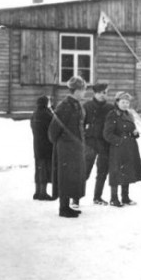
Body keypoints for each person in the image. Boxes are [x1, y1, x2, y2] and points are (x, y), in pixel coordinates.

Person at [48, 76, 87, 218]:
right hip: (66, 148)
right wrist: (62, 144)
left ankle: (68, 206)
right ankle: (63, 208)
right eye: (83, 90)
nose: (84, 93)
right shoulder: (64, 106)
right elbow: (53, 130)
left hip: (75, 147)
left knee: (73, 177)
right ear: (76, 90)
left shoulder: (76, 104)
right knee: (65, 177)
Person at [103, 92, 141, 207]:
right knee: (116, 173)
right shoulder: (112, 114)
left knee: (127, 171)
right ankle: (114, 198)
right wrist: (119, 141)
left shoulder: (129, 114)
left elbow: (132, 129)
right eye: (123, 102)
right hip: (118, 148)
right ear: (117, 102)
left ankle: (125, 197)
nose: (125, 104)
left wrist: (135, 134)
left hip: (130, 147)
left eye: (127, 102)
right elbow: (107, 134)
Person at [82, 82, 114, 207]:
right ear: (94, 93)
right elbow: (81, 124)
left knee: (102, 172)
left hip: (104, 143)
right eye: (100, 93)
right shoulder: (87, 106)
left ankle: (97, 197)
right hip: (90, 143)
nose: (102, 95)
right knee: (84, 171)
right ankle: (75, 198)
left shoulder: (110, 108)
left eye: (104, 93)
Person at [30, 95, 54, 201]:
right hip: (47, 145)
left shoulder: (34, 114)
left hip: (37, 145)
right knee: (44, 169)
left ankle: (37, 192)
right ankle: (43, 193)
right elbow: (54, 127)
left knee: (38, 168)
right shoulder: (47, 114)